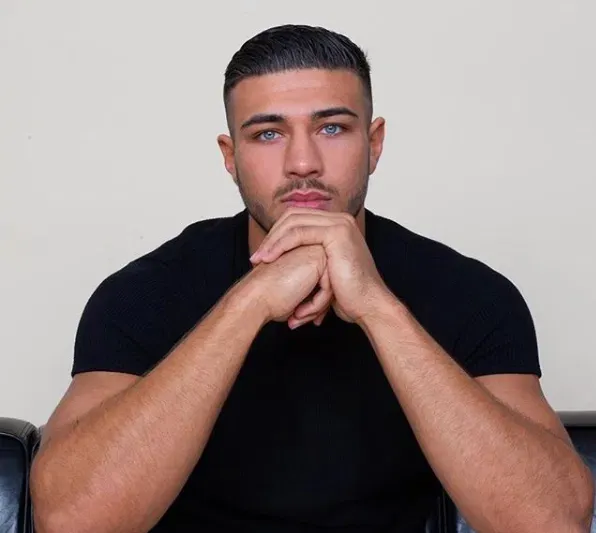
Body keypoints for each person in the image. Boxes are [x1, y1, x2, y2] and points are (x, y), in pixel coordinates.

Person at [30, 24, 593, 533]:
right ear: (230, 156)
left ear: (374, 143)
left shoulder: (471, 295)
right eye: (268, 134)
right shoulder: (143, 294)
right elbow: (73, 521)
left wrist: (376, 306)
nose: (303, 162)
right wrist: (249, 301)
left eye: (332, 127)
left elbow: (550, 522)